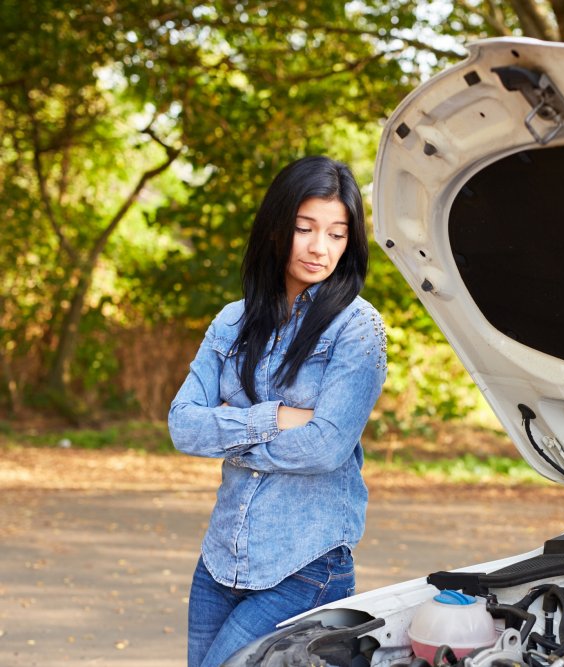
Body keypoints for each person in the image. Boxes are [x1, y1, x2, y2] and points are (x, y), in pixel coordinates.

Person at [168, 156, 387, 667]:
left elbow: (325, 446)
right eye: (304, 228)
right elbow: (182, 424)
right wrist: (272, 419)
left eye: (336, 234)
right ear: (275, 228)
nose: (319, 247)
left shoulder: (358, 328)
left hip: (305, 568)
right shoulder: (232, 321)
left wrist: (226, 433)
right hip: (221, 562)